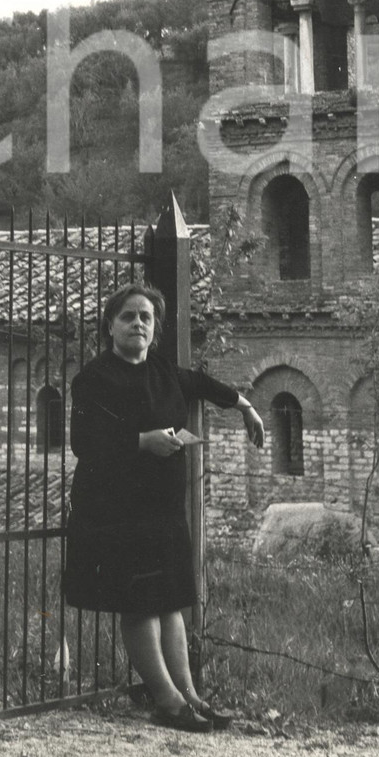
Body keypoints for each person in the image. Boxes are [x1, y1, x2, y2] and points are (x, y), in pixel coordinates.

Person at [64, 283, 264, 733]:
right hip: (118, 510)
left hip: (163, 507)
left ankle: (190, 694)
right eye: (129, 316)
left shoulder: (163, 371)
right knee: (138, 603)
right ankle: (165, 699)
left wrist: (246, 406)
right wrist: (142, 442)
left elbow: (201, 383)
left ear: (154, 331)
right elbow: (84, 443)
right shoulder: (94, 379)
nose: (138, 323)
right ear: (110, 326)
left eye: (146, 318)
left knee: (171, 600)